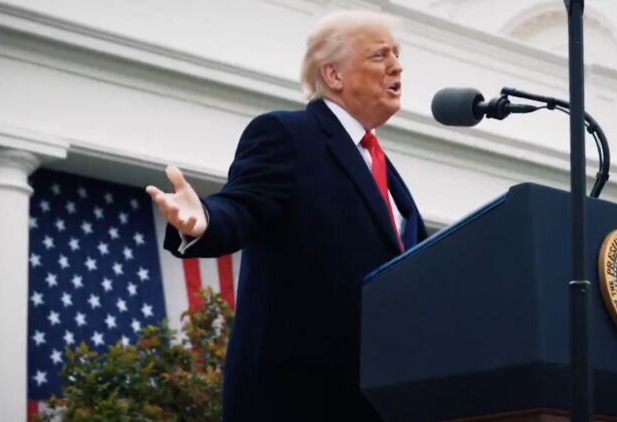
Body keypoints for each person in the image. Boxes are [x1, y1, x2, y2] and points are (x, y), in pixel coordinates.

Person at [146, 10, 427, 421]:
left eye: (397, 54)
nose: (397, 65)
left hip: (378, 401)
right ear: (333, 75)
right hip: (298, 400)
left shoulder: (383, 168)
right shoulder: (288, 134)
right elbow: (243, 205)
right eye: (379, 55)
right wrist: (204, 218)